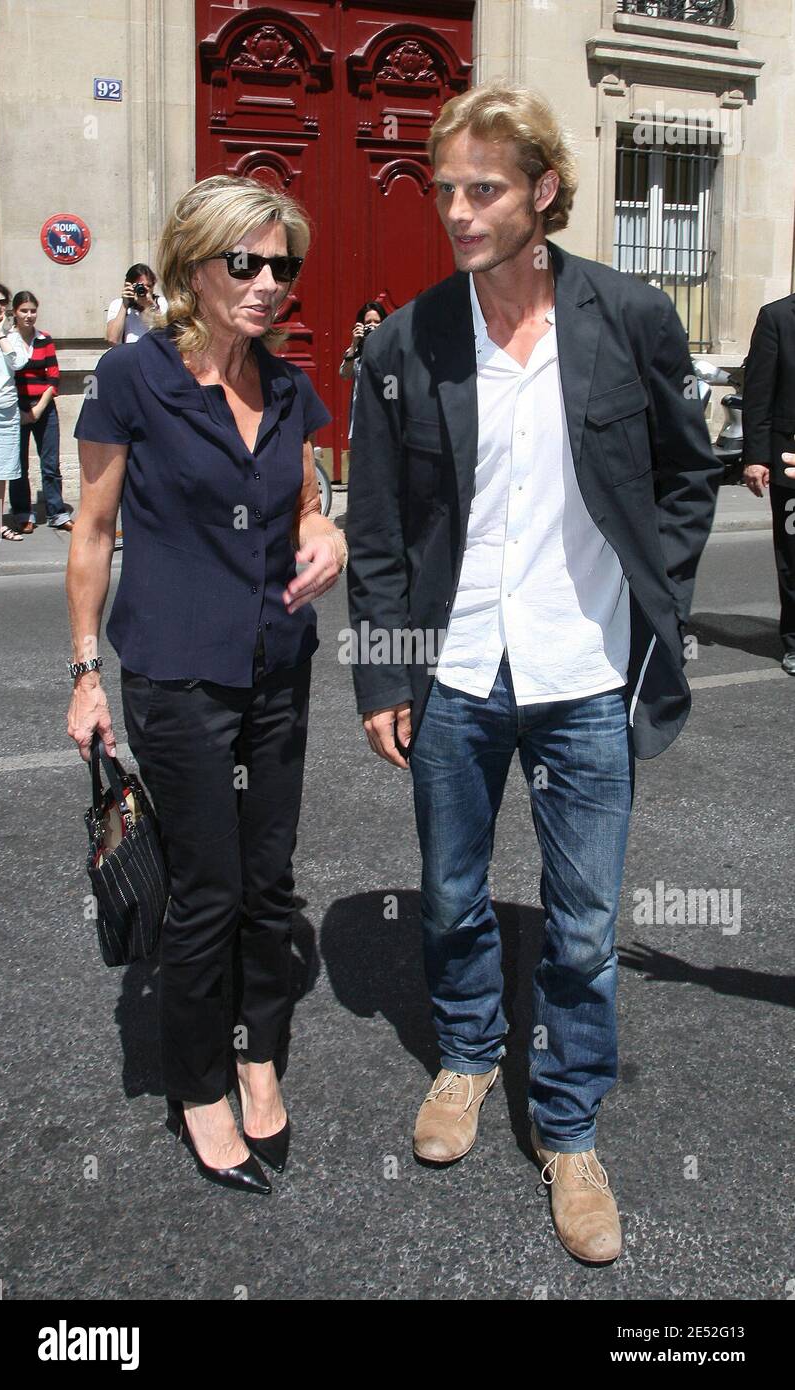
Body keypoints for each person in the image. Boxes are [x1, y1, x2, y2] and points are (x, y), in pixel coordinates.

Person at [346, 82, 721, 1264]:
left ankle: (569, 1128)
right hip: (457, 675)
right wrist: (383, 675)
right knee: (453, 894)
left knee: (585, 927)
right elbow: (381, 531)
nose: (456, 210)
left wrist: (652, 604)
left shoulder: (629, 316)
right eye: (446, 188)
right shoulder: (408, 339)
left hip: (585, 672)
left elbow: (686, 474)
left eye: (484, 189)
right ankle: (466, 1057)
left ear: (544, 191)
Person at [67, 174, 347, 1195]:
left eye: (284, 266)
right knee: (208, 891)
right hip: (179, 672)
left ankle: (256, 1050)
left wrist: (325, 527)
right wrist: (86, 673)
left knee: (269, 880)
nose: (269, 282)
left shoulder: (286, 383)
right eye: (248, 262)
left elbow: (307, 497)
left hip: (278, 662)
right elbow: (92, 530)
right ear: (196, 263)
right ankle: (197, 1086)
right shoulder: (133, 379)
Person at [741, 293, 795, 674]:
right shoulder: (777, 317)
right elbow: (759, 393)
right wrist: (757, 457)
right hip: (790, 462)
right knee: (793, 553)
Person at [10, 290, 73, 533]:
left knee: (50, 464)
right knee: (18, 465)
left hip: (44, 408)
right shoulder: (8, 339)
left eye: (32, 310)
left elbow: (53, 376)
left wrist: (37, 410)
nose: (29, 315)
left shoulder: (44, 339)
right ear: (15, 312)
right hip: (15, 410)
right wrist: (23, 411)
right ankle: (23, 513)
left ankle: (57, 512)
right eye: (24, 310)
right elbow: (6, 380)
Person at [0, 281, 31, 542]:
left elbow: (18, 362)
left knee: (0, 471)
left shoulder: (12, 335)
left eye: (2, 302)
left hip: (6, 413)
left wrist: (0, 335)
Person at [339, 300, 387, 440]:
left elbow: (393, 390)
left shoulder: (391, 350)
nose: (372, 326)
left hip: (383, 423)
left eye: (377, 322)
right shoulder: (355, 352)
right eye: (368, 322)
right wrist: (354, 345)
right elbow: (345, 375)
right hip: (361, 423)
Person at [105, 264, 167, 345]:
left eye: (148, 286)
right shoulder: (117, 305)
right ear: (128, 285)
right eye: (139, 286)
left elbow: (166, 337)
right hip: (128, 355)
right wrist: (124, 305)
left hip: (152, 355)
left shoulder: (161, 303)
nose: (144, 290)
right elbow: (113, 340)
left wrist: (149, 306)